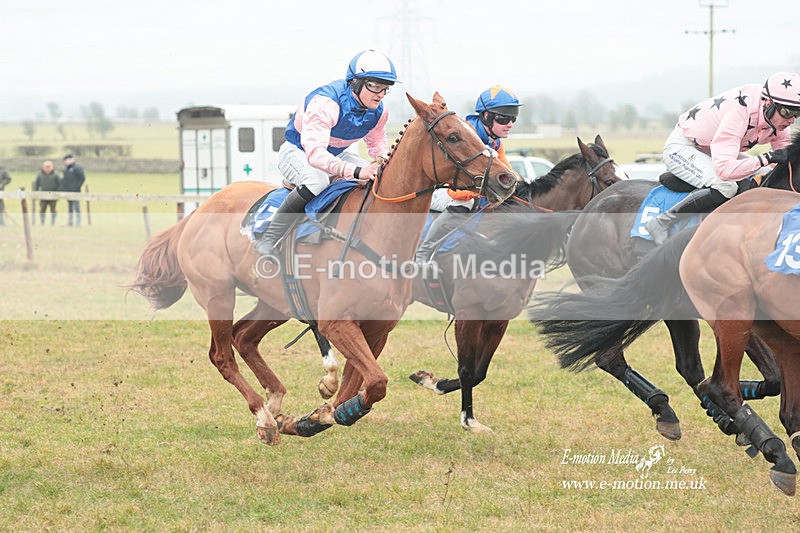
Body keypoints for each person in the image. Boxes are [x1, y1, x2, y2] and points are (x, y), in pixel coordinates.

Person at [252, 49, 398, 257]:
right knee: (317, 180)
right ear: (355, 82)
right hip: (299, 151)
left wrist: (383, 160)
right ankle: (270, 237)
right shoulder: (326, 103)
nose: (381, 94)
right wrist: (356, 171)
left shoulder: (380, 111)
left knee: (377, 177)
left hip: (336, 154)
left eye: (385, 88)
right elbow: (316, 155)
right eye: (374, 86)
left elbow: (376, 143)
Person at [645, 71, 799, 245]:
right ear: (768, 103)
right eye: (787, 112)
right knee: (726, 186)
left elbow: (784, 163)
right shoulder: (740, 112)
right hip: (684, 147)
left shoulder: (777, 118)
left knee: (764, 172)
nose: (791, 120)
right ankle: (663, 221)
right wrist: (765, 158)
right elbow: (725, 170)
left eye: (797, 114)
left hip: (716, 148)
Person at [415, 85, 522, 268]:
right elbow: (458, 194)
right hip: (439, 190)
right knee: (464, 202)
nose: (510, 123)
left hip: (464, 191)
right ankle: (423, 253)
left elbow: (507, 174)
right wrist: (481, 193)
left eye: (513, 118)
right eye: (504, 118)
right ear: (486, 117)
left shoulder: (495, 141)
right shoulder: (467, 134)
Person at [60, 154, 86, 227]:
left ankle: (78, 223)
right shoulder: (66, 169)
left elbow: (82, 178)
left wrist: (77, 187)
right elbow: (64, 180)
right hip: (68, 191)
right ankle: (70, 222)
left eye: (67, 160)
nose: (66, 162)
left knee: (77, 207)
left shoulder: (77, 168)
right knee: (70, 207)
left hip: (75, 191)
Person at [33, 160, 60, 225]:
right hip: (43, 195)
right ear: (43, 167)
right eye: (46, 167)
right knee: (42, 210)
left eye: (49, 167)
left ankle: (53, 223)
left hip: (53, 196)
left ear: (52, 167)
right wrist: (35, 194)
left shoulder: (56, 175)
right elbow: (36, 184)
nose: (47, 168)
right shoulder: (39, 175)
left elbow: (59, 185)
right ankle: (42, 222)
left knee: (53, 210)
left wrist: (58, 195)